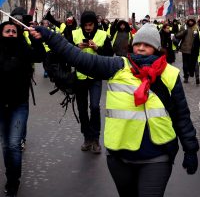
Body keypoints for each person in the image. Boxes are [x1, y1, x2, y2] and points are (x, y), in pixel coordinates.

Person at [31, 23, 199, 197]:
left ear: (156, 48)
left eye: (147, 45)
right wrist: (50, 36)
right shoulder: (117, 66)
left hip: (158, 154)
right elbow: (79, 58)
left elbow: (182, 115)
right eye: (138, 43)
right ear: (132, 44)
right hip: (120, 156)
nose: (141, 48)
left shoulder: (170, 73)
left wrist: (191, 149)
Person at [0, 21, 46, 197]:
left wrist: (36, 39)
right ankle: (10, 176)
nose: (11, 33)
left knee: (13, 144)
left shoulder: (23, 48)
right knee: (6, 145)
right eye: (7, 31)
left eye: (13, 31)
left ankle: (14, 180)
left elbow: (40, 56)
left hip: (19, 103)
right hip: (1, 104)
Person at [71, 11, 113, 153]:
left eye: (91, 24)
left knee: (94, 107)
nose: (88, 27)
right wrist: (76, 48)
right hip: (80, 77)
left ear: (95, 24)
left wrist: (97, 48)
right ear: (82, 24)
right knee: (82, 109)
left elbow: (109, 54)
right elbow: (65, 53)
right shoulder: (74, 34)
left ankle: (95, 139)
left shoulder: (102, 35)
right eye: (86, 25)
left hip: (95, 77)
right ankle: (87, 137)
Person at [175, 16, 200, 84]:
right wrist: (184, 32)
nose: (190, 22)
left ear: (194, 21)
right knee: (185, 65)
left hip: (193, 49)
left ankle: (197, 77)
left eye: (192, 21)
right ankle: (186, 77)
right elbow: (177, 35)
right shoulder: (184, 27)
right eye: (189, 21)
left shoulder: (196, 28)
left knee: (195, 63)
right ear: (188, 21)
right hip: (185, 49)